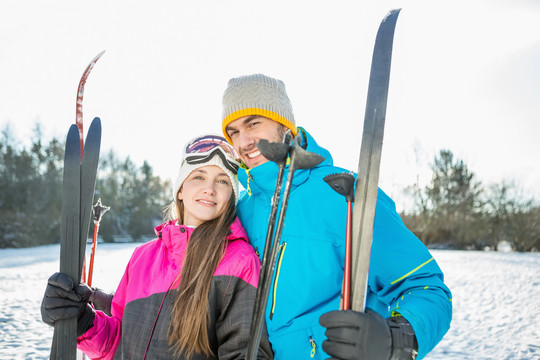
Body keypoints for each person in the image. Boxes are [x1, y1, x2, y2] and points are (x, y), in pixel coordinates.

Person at [221, 74, 452, 360]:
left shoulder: (342, 193)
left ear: (284, 124)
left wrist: (397, 338)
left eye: (253, 123)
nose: (243, 141)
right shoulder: (239, 209)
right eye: (233, 132)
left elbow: (424, 287)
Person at [41, 134, 274, 360]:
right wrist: (84, 322)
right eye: (199, 177)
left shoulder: (239, 261)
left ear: (231, 197)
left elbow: (244, 351)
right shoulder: (143, 256)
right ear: (181, 190)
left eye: (222, 181)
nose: (209, 189)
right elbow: (119, 342)